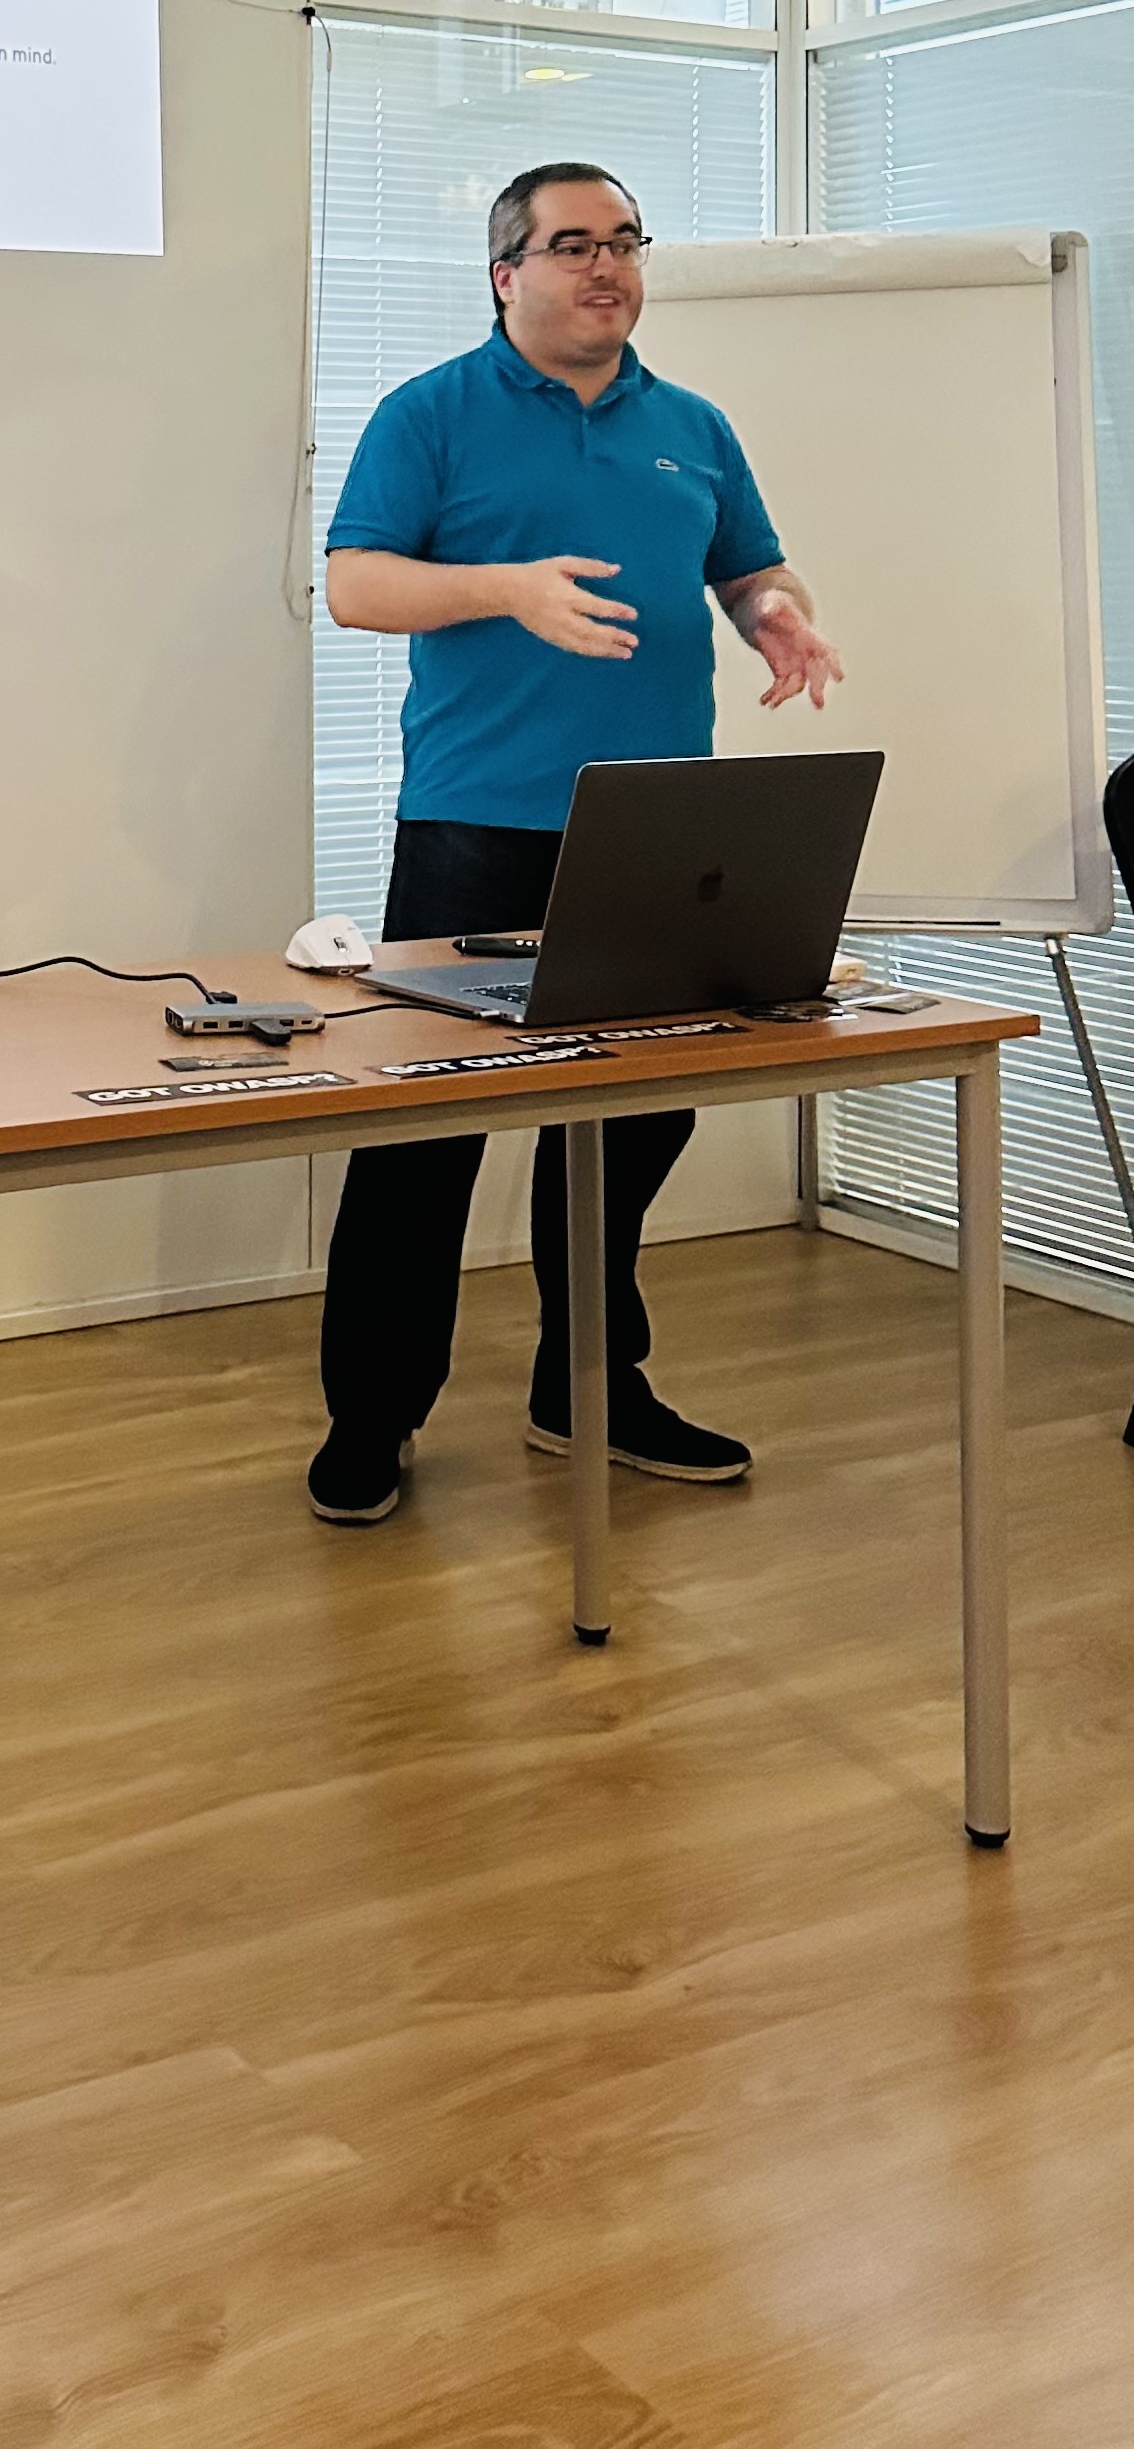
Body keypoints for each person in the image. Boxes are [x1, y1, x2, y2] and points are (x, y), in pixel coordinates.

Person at [310, 162, 843, 1529]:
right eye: (572, 245)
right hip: (477, 825)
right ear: (507, 274)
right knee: (425, 1130)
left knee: (630, 1120)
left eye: (623, 242)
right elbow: (356, 584)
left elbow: (746, 564)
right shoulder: (432, 412)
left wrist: (775, 614)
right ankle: (372, 1415)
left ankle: (589, 1387)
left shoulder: (692, 424)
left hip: (659, 832)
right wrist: (506, 589)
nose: (606, 266)